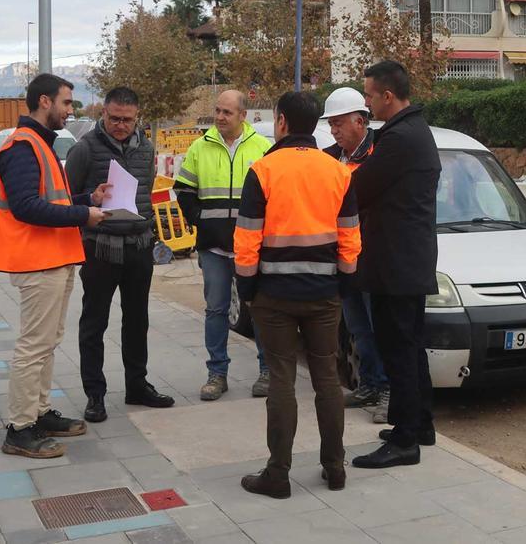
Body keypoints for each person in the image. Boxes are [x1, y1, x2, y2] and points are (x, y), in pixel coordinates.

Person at [234, 91, 361, 498]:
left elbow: (247, 238)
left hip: (273, 295)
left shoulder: (263, 170)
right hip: (324, 294)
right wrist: (343, 282)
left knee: (282, 380)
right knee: (327, 378)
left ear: (282, 122)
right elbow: (350, 236)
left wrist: (247, 288)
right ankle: (335, 467)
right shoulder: (338, 171)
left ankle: (278, 474)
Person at [0, 73, 110, 458]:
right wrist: (83, 215)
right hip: (36, 261)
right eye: (66, 102)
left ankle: (38, 413)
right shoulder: (22, 147)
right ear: (45, 101)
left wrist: (86, 199)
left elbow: (51, 200)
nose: (70, 110)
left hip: (54, 258)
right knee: (34, 346)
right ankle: (20, 428)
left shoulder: (39, 144)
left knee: (47, 342)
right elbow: (27, 207)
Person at [65, 87, 174, 423]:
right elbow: (67, 199)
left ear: (137, 117)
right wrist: (91, 198)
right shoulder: (85, 148)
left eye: (127, 119)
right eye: (114, 118)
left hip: (139, 246)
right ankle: (95, 394)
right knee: (94, 322)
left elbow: (147, 190)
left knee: (137, 320)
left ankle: (137, 386)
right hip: (100, 248)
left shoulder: (146, 148)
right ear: (104, 113)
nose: (120, 125)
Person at [351, 61, 440, 469]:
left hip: (396, 262)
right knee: (411, 346)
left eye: (369, 95)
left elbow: (359, 188)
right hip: (407, 258)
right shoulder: (414, 130)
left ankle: (405, 441)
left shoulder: (400, 138)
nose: (367, 103)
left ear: (387, 95)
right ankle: (420, 424)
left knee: (399, 349)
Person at [174, 90, 273, 401]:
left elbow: (274, 196)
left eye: (227, 112)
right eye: (217, 110)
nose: (219, 117)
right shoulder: (199, 147)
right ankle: (217, 374)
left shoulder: (263, 148)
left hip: (251, 247)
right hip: (214, 248)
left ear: (243, 115)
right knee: (216, 310)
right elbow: (184, 191)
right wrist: (201, 221)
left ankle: (267, 371)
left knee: (259, 309)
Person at [319, 87, 388, 410]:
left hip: (372, 256)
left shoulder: (380, 154)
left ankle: (387, 390)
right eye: (331, 124)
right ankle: (370, 385)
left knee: (379, 328)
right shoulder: (329, 158)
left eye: (339, 123)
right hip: (344, 257)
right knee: (358, 328)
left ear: (360, 121)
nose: (333, 130)